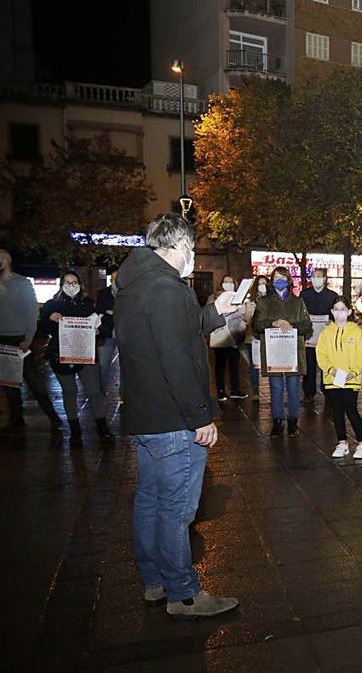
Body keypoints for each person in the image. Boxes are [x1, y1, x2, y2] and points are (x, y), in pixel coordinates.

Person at [115, 213, 239, 619]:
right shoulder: (167, 289)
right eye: (191, 248)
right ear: (179, 245)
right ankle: (183, 595)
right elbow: (177, 359)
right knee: (176, 511)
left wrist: (216, 312)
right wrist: (200, 416)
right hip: (173, 421)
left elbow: (174, 333)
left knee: (150, 501)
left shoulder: (134, 285)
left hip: (146, 417)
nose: (192, 256)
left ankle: (154, 582)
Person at [39, 271, 113, 440]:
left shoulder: (88, 305)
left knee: (94, 391)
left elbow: (103, 327)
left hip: (86, 354)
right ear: (61, 285)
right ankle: (75, 430)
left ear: (80, 285)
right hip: (61, 355)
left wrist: (98, 331)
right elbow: (43, 327)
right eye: (67, 282)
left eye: (74, 282)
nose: (71, 286)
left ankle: (103, 428)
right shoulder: (52, 305)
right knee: (70, 391)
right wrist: (49, 318)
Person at [0, 248, 59, 431]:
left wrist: (29, 336)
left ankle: (53, 418)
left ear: (7, 260)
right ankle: (16, 419)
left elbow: (31, 311)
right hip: (1, 340)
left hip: (20, 340)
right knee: (9, 383)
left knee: (34, 381)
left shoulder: (22, 283)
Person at [251, 266, 313, 438]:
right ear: (272, 280)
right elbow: (256, 325)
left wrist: (293, 326)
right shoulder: (263, 303)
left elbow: (308, 326)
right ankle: (278, 421)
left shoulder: (298, 302)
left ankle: (293, 421)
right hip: (274, 351)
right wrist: (272, 323)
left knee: (294, 387)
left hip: (293, 351)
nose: (280, 281)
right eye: (276, 277)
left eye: (283, 278)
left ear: (289, 281)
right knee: (276, 387)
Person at [317, 298, 362, 459]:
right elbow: (321, 354)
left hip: (350, 379)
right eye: (336, 309)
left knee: (351, 410)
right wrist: (331, 370)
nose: (339, 312)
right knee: (337, 411)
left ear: (348, 312)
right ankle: (342, 442)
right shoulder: (326, 332)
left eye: (342, 309)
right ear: (332, 312)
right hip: (332, 379)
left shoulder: (356, 332)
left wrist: (353, 372)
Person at [300, 268, 339, 400]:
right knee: (309, 365)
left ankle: (327, 390)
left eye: (319, 276)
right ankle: (309, 392)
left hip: (326, 336)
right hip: (309, 337)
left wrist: (332, 322)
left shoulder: (332, 296)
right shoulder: (304, 295)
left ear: (325, 279)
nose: (316, 278)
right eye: (314, 276)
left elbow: (337, 315)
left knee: (326, 364)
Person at [208, 275, 245, 401]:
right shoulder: (214, 297)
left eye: (231, 282)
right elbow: (209, 313)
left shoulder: (238, 297)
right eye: (225, 282)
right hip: (221, 333)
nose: (228, 284)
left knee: (234, 363)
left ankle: (235, 389)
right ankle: (221, 390)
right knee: (220, 364)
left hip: (235, 334)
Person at [240, 276, 270, 397]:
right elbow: (247, 318)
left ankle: (274, 387)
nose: (262, 286)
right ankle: (255, 388)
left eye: (264, 283)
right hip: (252, 337)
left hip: (269, 336)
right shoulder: (250, 302)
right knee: (254, 364)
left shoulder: (273, 301)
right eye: (259, 284)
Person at [96, 269, 118, 391]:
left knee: (127, 366)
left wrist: (111, 312)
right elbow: (100, 310)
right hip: (107, 333)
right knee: (103, 364)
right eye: (114, 279)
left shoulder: (127, 293)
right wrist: (112, 312)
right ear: (110, 280)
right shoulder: (103, 293)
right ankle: (101, 391)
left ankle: (125, 394)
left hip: (124, 334)